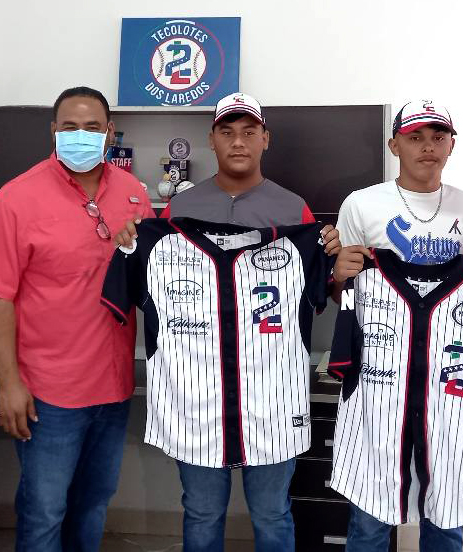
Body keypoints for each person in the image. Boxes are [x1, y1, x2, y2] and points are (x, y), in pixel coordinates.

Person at [115, 92, 340, 552]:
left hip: (271, 397)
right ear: (212, 140)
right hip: (197, 397)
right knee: (201, 511)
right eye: (228, 132)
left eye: (249, 132)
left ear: (265, 139)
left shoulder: (295, 210)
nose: (239, 141)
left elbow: (318, 297)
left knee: (273, 513)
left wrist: (330, 253)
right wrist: (132, 241)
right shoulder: (178, 209)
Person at [0, 86, 154, 551]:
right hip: (48, 393)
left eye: (92, 127)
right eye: (70, 127)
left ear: (110, 133)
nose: (80, 135)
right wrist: (9, 385)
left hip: (113, 385)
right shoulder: (17, 198)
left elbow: (153, 281)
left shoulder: (133, 194)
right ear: (53, 131)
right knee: (44, 511)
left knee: (93, 504)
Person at [330, 100, 463, 552]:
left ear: (451, 145)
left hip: (448, 388)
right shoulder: (361, 204)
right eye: (415, 137)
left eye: (437, 137)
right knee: (370, 520)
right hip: (380, 384)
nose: (428, 146)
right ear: (395, 145)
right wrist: (337, 277)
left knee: (446, 516)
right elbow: (345, 295)